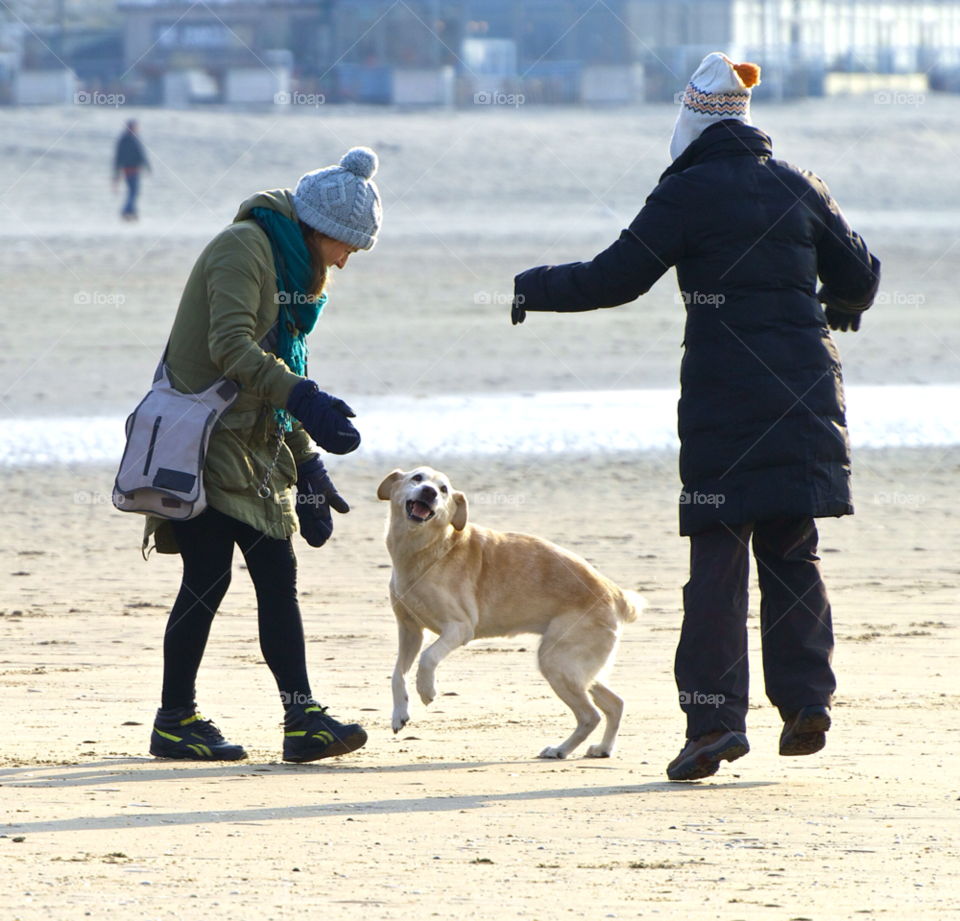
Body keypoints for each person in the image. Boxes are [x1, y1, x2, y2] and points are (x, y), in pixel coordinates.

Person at [510, 54, 880, 781]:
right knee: (790, 550)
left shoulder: (685, 193)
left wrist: (533, 285)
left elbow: (614, 277)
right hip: (804, 394)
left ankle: (714, 725)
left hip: (723, 401)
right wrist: (839, 307)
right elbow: (861, 278)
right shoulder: (796, 185)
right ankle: (807, 701)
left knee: (717, 561)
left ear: (689, 123)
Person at [143, 147, 382, 763]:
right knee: (214, 577)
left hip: (252, 442)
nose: (347, 259)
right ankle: (181, 721)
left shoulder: (292, 266)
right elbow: (231, 349)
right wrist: (306, 399)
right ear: (317, 229)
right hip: (200, 439)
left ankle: (295, 720)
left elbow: (281, 364)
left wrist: (308, 463)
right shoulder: (242, 248)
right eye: (346, 245)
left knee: (267, 576)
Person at [113, 119, 150, 221]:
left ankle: (132, 211)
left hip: (129, 169)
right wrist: (147, 166)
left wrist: (116, 173)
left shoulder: (124, 140)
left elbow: (117, 158)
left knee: (133, 191)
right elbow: (140, 154)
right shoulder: (133, 140)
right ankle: (127, 210)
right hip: (131, 169)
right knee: (134, 191)